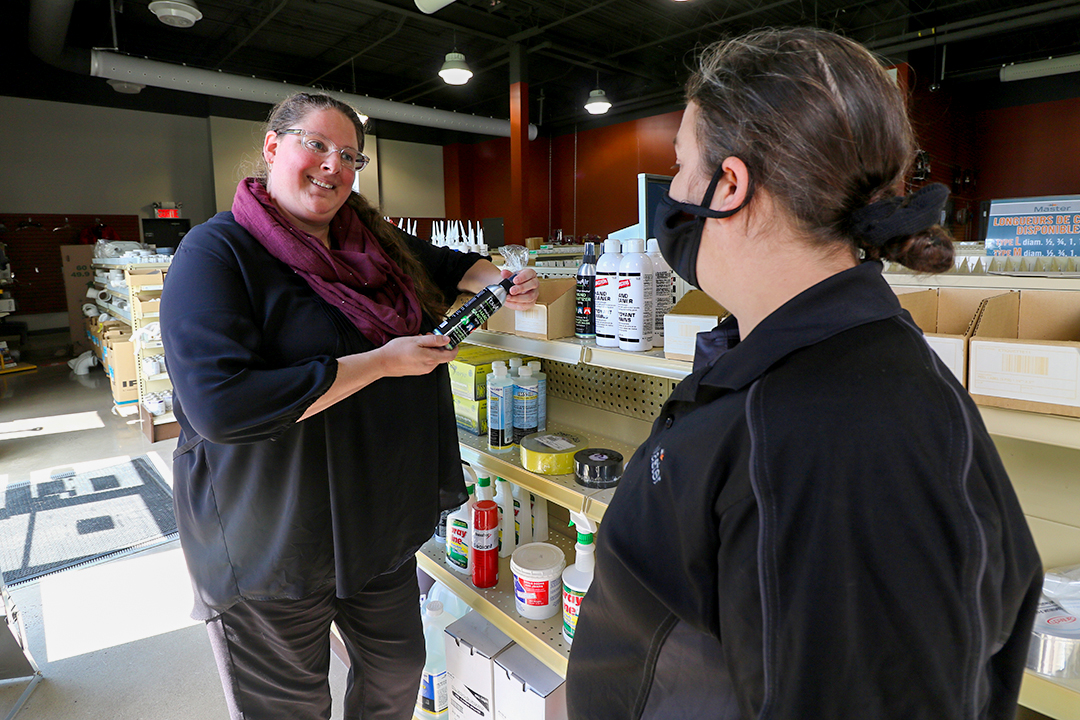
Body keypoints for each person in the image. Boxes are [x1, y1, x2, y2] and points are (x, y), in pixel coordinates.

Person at [565, 28, 1042, 720]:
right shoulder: (776, 365)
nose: (674, 194)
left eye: (681, 166)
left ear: (730, 186)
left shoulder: (839, 445)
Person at [159, 92, 538, 720]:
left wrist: (494, 275)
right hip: (269, 543)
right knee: (289, 706)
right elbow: (221, 406)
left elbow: (444, 264)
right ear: (273, 146)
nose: (334, 166)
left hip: (376, 527)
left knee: (395, 676)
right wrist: (382, 361)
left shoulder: (373, 245)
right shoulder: (216, 253)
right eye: (317, 145)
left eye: (350, 155)